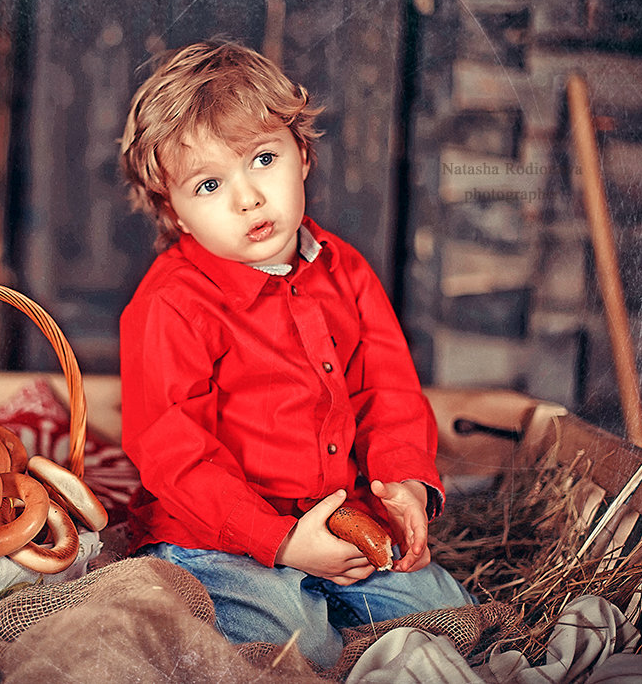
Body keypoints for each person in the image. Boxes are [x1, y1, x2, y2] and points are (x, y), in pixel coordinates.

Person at [117, 38, 473, 668]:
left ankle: (335, 601)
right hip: (220, 538)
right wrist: (278, 541)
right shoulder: (170, 305)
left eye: (262, 158)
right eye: (208, 184)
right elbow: (173, 450)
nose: (247, 197)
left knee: (453, 620)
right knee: (295, 648)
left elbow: (386, 390)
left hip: (342, 517)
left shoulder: (346, 270)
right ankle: (294, 609)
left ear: (302, 156)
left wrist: (405, 483)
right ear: (173, 212)